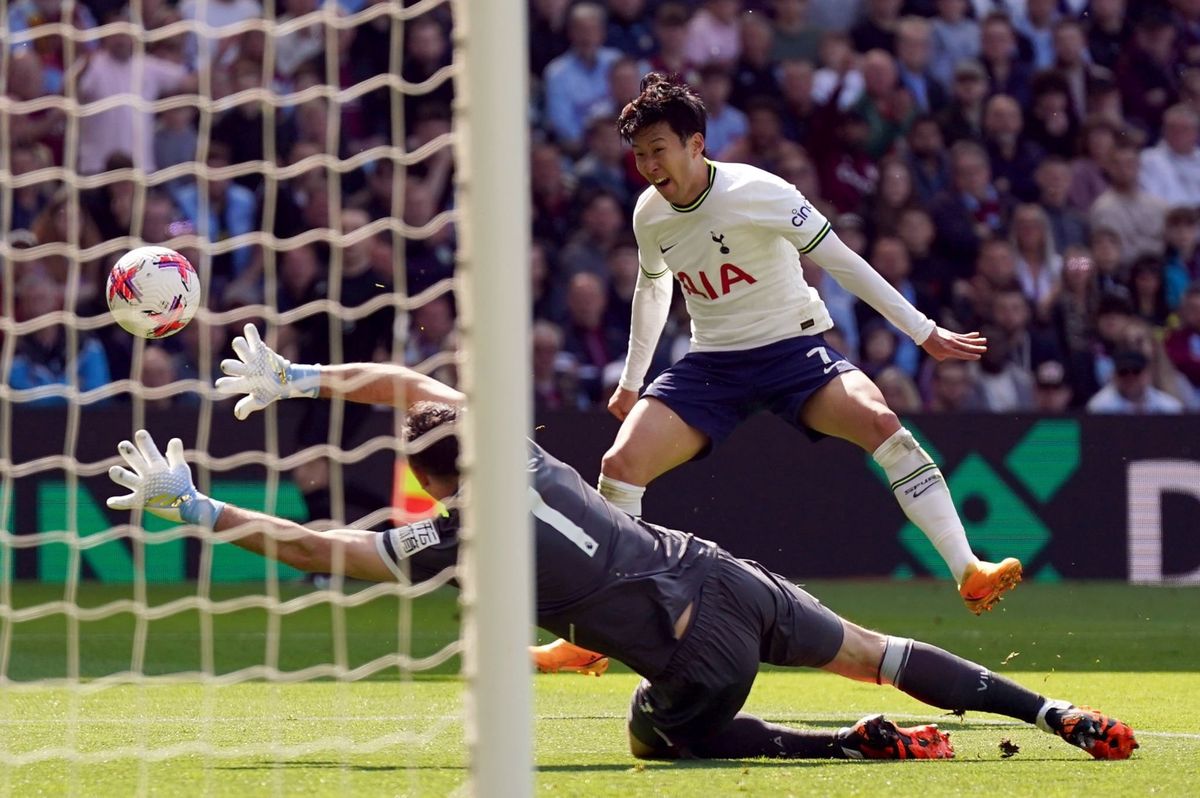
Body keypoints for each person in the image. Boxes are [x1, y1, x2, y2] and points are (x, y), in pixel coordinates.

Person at [103, 324, 1139, 763]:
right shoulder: (523, 454)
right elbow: (415, 388)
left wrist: (202, 512)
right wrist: (301, 378)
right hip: (722, 572)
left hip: (691, 654)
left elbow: (323, 550)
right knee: (879, 652)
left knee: (657, 735)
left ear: (426, 481)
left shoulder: (457, 539)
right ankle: (1053, 711)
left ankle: (840, 748)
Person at [598, 73, 1020, 616]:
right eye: (639, 155)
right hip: (713, 364)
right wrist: (632, 382)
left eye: (658, 150)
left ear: (695, 144)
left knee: (881, 422)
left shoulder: (759, 192)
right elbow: (651, 289)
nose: (650, 167)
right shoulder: (649, 214)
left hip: (792, 352)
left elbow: (842, 262)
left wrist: (922, 330)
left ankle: (969, 570)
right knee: (621, 463)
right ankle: (600, 627)